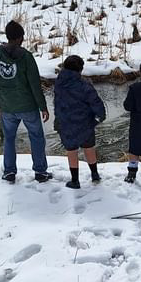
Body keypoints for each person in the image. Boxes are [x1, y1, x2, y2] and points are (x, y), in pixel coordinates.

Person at [0, 20, 51, 184]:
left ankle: (9, 172)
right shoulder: (26, 56)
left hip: (7, 107)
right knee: (36, 137)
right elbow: (34, 84)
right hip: (28, 106)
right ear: (20, 37)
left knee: (9, 139)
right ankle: (40, 172)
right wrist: (43, 106)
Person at [53, 55, 106, 189]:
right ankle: (94, 174)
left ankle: (75, 180)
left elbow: (58, 103)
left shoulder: (59, 83)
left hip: (65, 123)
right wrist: (100, 116)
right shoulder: (84, 85)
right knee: (88, 148)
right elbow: (95, 102)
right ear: (80, 70)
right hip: (85, 122)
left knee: (71, 150)